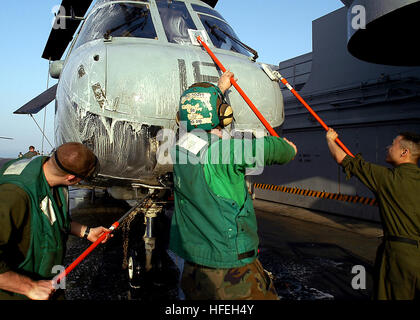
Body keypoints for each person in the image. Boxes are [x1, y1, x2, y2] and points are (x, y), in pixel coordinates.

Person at [169, 71, 298, 300]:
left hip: (195, 268)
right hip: (230, 271)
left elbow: (200, 130)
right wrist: (288, 148)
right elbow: (274, 149)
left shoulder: (179, 149)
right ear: (221, 114)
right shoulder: (224, 152)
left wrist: (220, 89)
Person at [0, 142, 112, 300]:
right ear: (71, 177)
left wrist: (87, 232)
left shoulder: (51, 175)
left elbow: (56, 220)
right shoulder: (14, 194)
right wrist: (29, 287)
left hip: (51, 279)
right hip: (20, 291)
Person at [326, 128, 420, 300]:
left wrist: (330, 140)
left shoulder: (388, 178)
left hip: (399, 258)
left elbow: (343, 159)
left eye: (393, 144)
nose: (388, 147)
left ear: (404, 152)